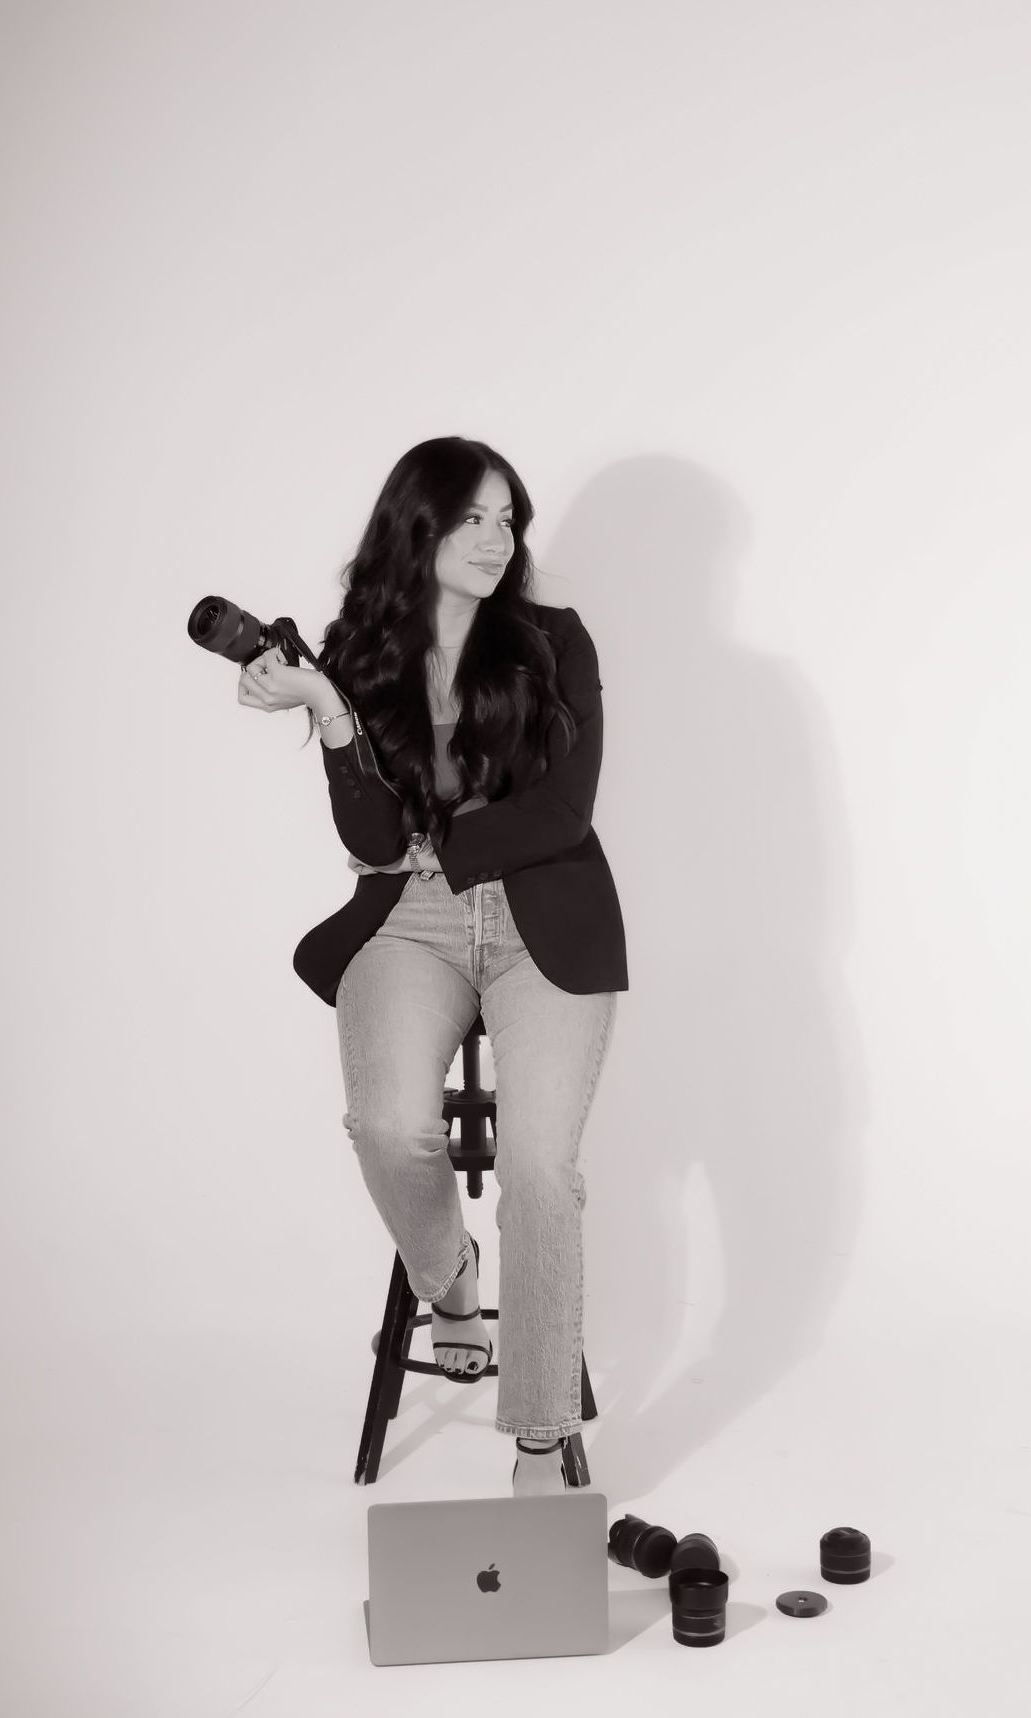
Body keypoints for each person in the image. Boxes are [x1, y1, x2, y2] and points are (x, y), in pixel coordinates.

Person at [237, 436, 627, 1497]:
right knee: (388, 1125)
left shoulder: (554, 641)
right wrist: (327, 711)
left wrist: (440, 844)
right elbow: (371, 839)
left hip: (548, 918)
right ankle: (449, 1278)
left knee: (539, 1170)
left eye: (508, 519)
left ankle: (538, 1445)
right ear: (417, 526)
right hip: (409, 921)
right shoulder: (359, 654)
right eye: (471, 518)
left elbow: (564, 810)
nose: (496, 540)